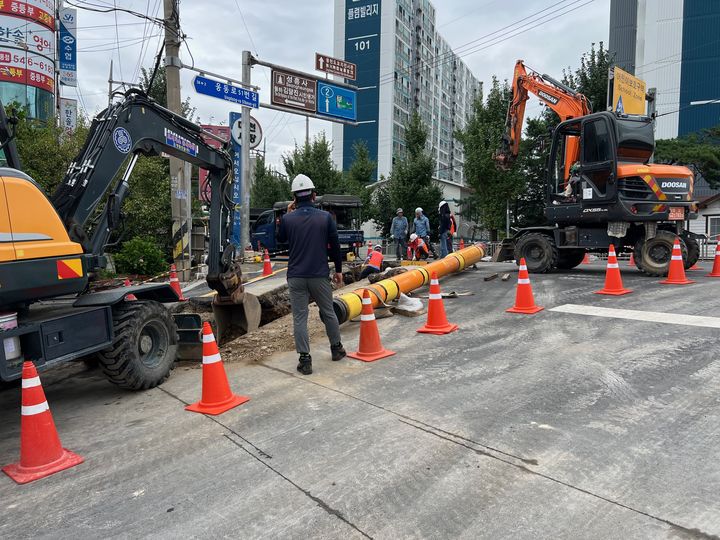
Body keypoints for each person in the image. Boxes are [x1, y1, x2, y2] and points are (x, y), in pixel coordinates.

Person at [277, 174, 346, 376]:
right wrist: (339, 271)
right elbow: (334, 247)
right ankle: (336, 349)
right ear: (314, 196)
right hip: (319, 274)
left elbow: (280, 239)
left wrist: (286, 214)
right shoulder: (325, 218)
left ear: (295, 198)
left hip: (296, 276)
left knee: (300, 317)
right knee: (328, 312)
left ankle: (305, 360)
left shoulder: (288, 219)